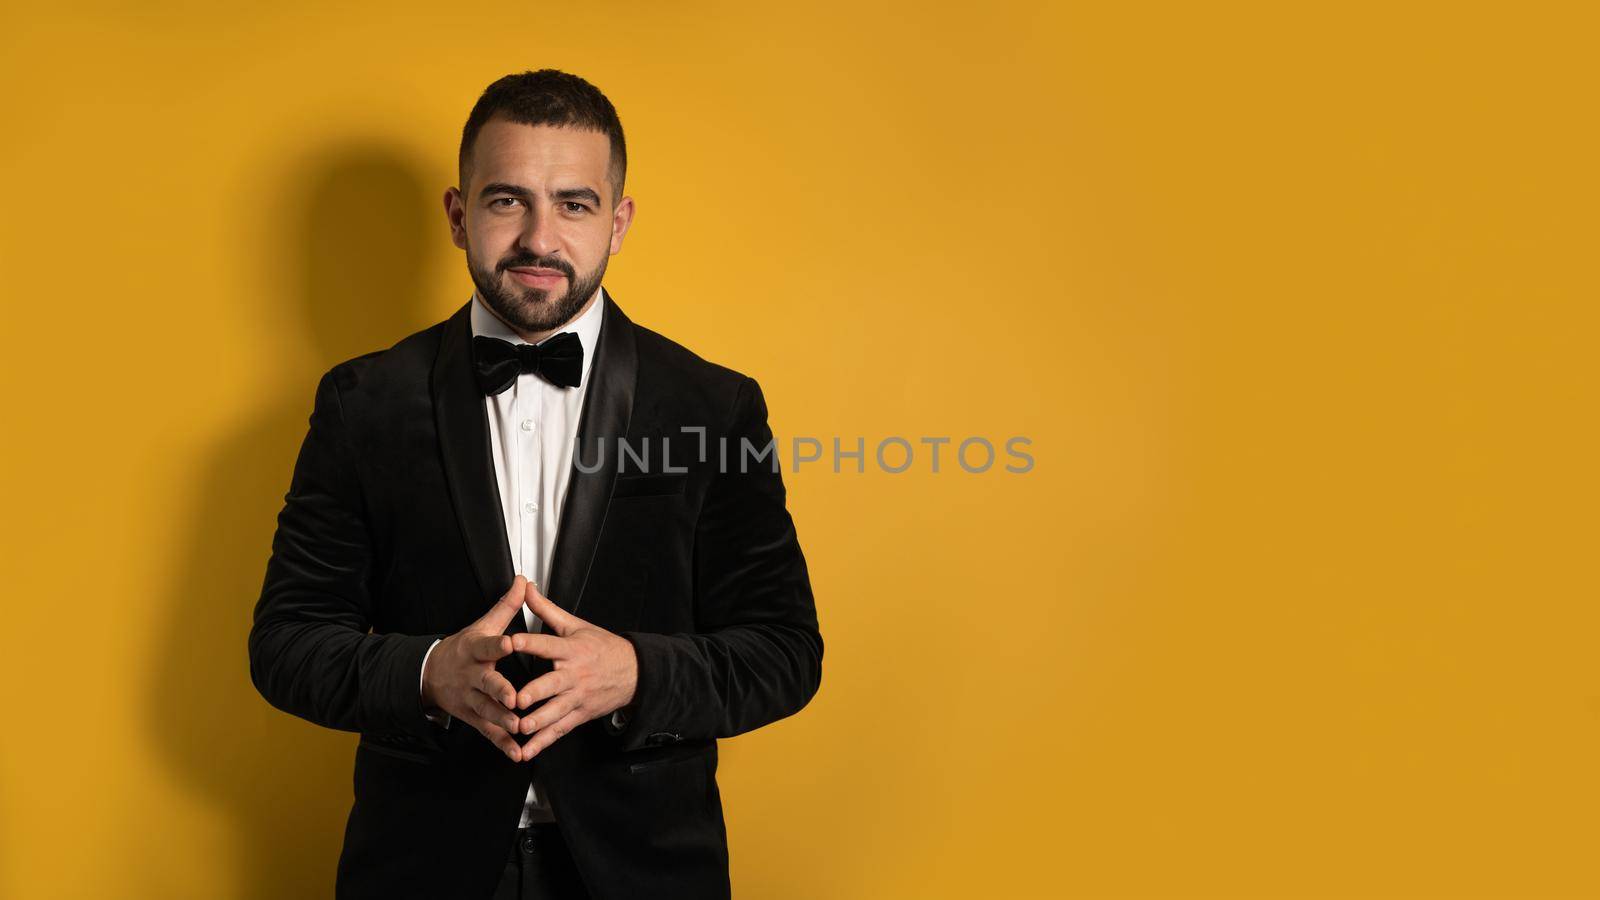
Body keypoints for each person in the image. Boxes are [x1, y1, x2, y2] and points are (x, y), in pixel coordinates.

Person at [248, 68, 824, 899]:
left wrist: (635, 673)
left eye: (575, 204)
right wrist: (426, 673)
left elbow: (786, 652)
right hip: (418, 870)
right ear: (459, 214)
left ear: (618, 222)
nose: (540, 239)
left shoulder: (713, 404)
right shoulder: (361, 403)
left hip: (647, 872)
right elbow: (286, 644)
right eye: (507, 200)